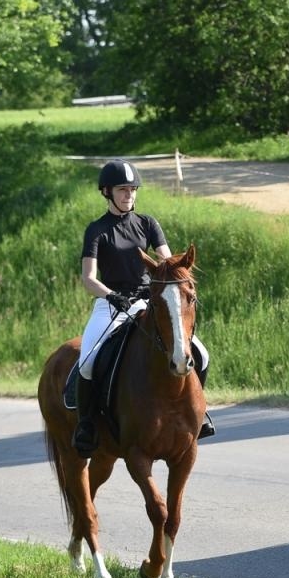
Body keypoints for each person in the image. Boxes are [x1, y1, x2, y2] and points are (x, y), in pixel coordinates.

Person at [75, 160, 214, 454]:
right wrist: (111, 295)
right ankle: (86, 423)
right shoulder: (97, 230)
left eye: (133, 189)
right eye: (123, 190)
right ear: (107, 192)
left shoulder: (147, 223)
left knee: (200, 353)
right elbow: (88, 279)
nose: (129, 195)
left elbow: (166, 262)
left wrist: (174, 272)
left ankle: (198, 413)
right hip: (111, 305)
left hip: (148, 301)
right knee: (87, 361)